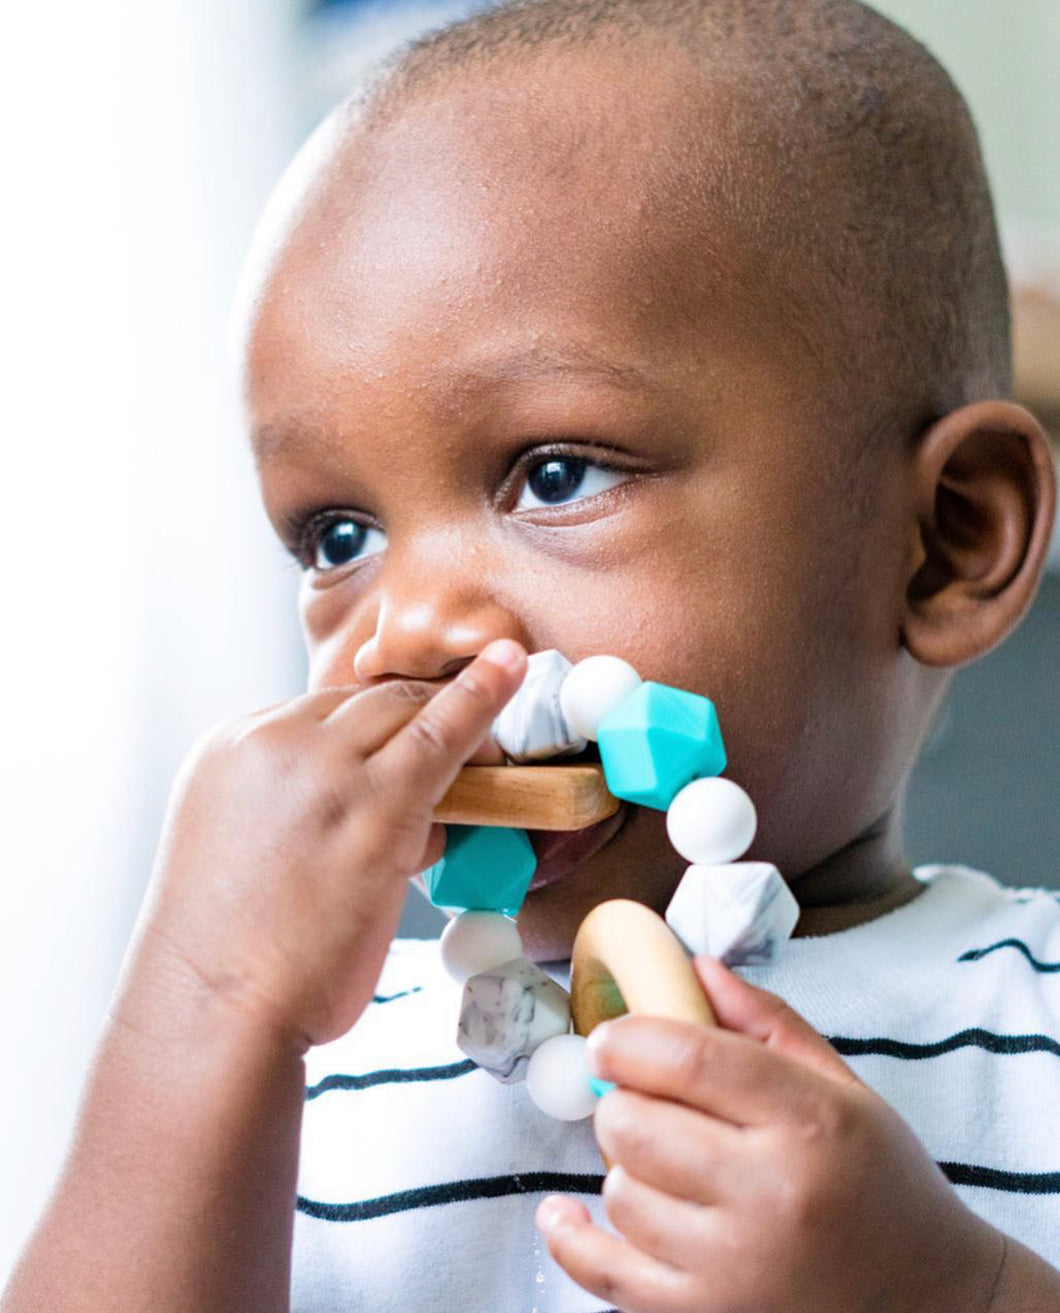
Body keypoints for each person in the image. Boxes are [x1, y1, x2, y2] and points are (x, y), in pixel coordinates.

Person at [5, 1, 1059, 1310]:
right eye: (337, 537)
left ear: (947, 540)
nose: (402, 629)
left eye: (555, 474)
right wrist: (205, 1002)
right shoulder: (277, 1088)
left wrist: (952, 1293)